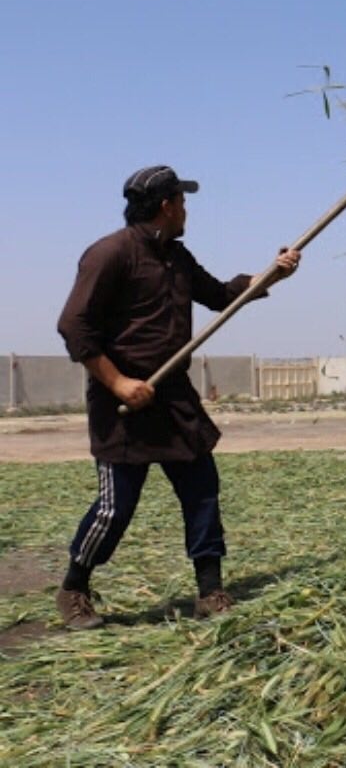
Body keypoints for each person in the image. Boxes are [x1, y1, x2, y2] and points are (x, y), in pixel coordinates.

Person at [54, 165, 301, 629]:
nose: (186, 209)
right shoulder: (110, 254)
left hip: (173, 398)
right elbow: (74, 326)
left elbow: (223, 295)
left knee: (202, 491)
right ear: (167, 205)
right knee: (115, 508)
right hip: (123, 403)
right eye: (182, 201)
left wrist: (272, 275)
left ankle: (210, 591)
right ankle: (74, 588)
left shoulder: (178, 259)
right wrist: (118, 382)